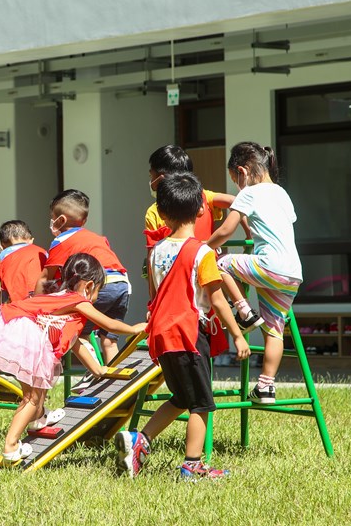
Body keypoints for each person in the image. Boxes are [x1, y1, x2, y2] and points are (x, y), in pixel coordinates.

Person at [115, 172, 250, 481]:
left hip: (161, 335)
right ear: (202, 210)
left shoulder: (155, 253)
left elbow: (153, 295)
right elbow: (216, 299)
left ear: (162, 214)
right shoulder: (202, 253)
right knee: (201, 404)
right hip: (189, 335)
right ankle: (192, 465)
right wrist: (238, 334)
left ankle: (141, 440)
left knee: (180, 398)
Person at [0, 253, 146, 467]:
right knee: (32, 398)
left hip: (12, 322)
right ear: (88, 286)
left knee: (36, 393)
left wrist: (98, 370)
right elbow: (110, 325)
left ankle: (38, 420)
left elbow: (75, 343)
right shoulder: (78, 300)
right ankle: (11, 446)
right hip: (24, 329)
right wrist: (134, 328)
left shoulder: (60, 301)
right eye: (98, 291)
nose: (97, 298)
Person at [207, 142, 303, 405]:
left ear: (243, 172)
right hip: (292, 272)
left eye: (235, 180)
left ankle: (243, 311)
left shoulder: (249, 193)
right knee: (274, 330)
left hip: (269, 264)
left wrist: (203, 249)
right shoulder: (282, 193)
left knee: (219, 263)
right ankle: (265, 387)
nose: (237, 187)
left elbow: (226, 231)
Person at [36, 189, 131, 368]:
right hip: (121, 284)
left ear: (60, 220)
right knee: (109, 341)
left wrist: (37, 306)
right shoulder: (98, 238)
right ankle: (120, 386)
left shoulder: (61, 241)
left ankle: (92, 378)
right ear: (84, 221)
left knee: (78, 333)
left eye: (51, 217)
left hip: (97, 287)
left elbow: (45, 277)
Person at [144, 145, 239, 289]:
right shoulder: (203, 197)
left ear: (160, 178)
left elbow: (153, 259)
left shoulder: (155, 211)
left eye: (151, 175)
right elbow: (237, 202)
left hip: (176, 280)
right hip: (206, 273)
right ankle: (243, 307)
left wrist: (153, 302)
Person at [0, 220, 47, 305]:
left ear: (2, 246)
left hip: (14, 306)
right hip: (40, 302)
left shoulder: (0, 256)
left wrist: (0, 306)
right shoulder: (42, 252)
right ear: (31, 240)